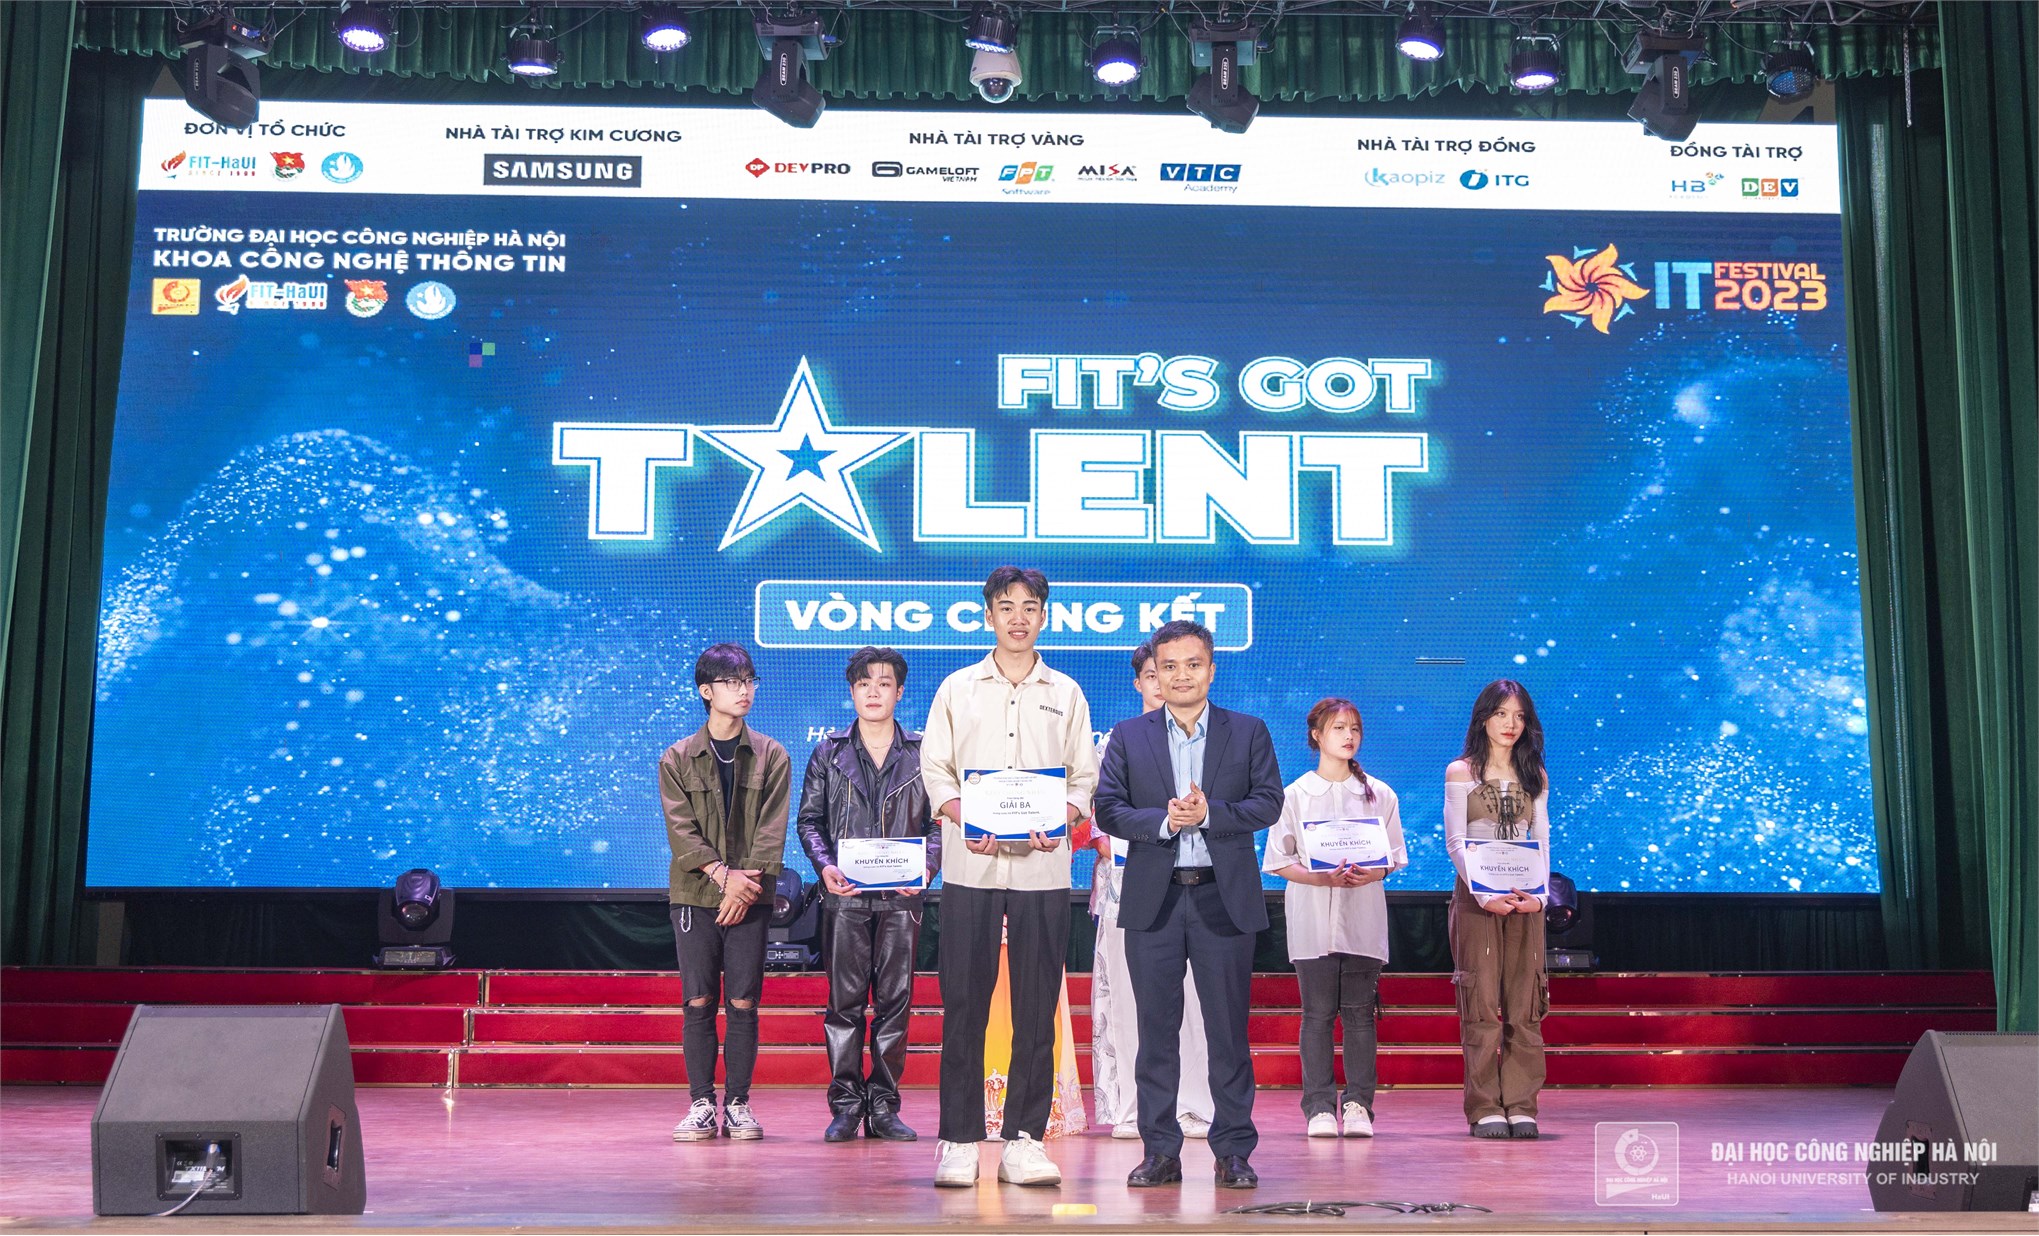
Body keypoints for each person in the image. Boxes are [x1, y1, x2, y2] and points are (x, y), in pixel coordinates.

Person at [921, 566, 1098, 1188]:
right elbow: (936, 769)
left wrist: (1063, 818)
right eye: (1006, 606)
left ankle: (1025, 1139)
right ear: (988, 615)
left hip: (1043, 870)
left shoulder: (1066, 692)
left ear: (1044, 616)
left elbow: (1082, 777)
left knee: (1036, 1007)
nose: (1018, 617)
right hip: (971, 867)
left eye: (1030, 607)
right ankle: (959, 1139)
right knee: (964, 1005)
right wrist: (962, 815)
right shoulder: (957, 688)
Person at [1094, 619, 1284, 1192]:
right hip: (1154, 900)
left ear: (1211, 670)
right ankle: (1160, 1151)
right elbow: (1108, 809)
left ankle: (1233, 1151)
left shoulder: (1247, 731)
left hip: (1223, 897)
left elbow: (1269, 802)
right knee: (1156, 1034)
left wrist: (1209, 815)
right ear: (1154, 673)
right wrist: (1163, 822)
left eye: (1193, 664)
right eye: (1169, 666)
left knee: (1227, 1032)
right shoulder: (1130, 735)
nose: (1181, 676)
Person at [797, 646, 939, 1144]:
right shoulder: (828, 753)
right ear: (852, 692)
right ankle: (845, 1104)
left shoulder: (924, 752)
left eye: (884, 684)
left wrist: (927, 866)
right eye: (864, 684)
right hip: (845, 898)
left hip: (902, 898)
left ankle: (883, 1106)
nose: (873, 692)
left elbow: (941, 822)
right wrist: (825, 866)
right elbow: (809, 822)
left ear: (900, 692)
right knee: (845, 1004)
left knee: (896, 1004)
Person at [658, 643, 790, 1142]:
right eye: (732, 682)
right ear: (706, 691)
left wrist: (742, 886)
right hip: (695, 893)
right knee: (697, 1000)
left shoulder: (772, 754)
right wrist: (720, 874)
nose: (744, 690)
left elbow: (771, 831)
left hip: (750, 894)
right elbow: (681, 830)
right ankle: (700, 1104)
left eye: (749, 680)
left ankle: (737, 1103)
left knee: (742, 1001)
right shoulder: (676, 757)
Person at [1263, 699, 1406, 1139]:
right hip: (1311, 916)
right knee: (1317, 1014)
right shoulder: (1295, 794)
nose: (1349, 736)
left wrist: (1373, 872)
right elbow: (1277, 860)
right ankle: (1320, 1107)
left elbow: (1393, 857)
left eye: (1355, 728)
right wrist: (1319, 878)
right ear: (1316, 735)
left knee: (1360, 1015)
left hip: (1362, 915)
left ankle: (1359, 1105)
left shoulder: (1380, 794)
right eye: (1339, 728)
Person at [1089, 641, 1215, 1141]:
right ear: (1141, 682)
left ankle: (1195, 1105)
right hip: (1127, 884)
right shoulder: (1114, 744)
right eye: (1152, 674)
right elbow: (1093, 814)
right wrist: (1105, 837)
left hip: (1197, 884)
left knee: (1195, 999)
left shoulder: (1209, 740)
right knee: (1128, 998)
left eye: (1176, 670)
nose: (1163, 682)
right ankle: (1131, 1107)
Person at [1444, 679, 1552, 1140]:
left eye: (1520, 716)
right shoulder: (1461, 772)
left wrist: (1540, 897)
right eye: (1502, 714)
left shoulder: (1535, 775)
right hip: (1478, 899)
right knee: (1482, 1005)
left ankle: (1522, 1105)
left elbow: (1541, 840)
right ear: (1484, 718)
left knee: (1525, 1006)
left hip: (1526, 900)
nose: (1511, 724)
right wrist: (1484, 893)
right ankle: (1486, 1106)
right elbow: (1456, 842)